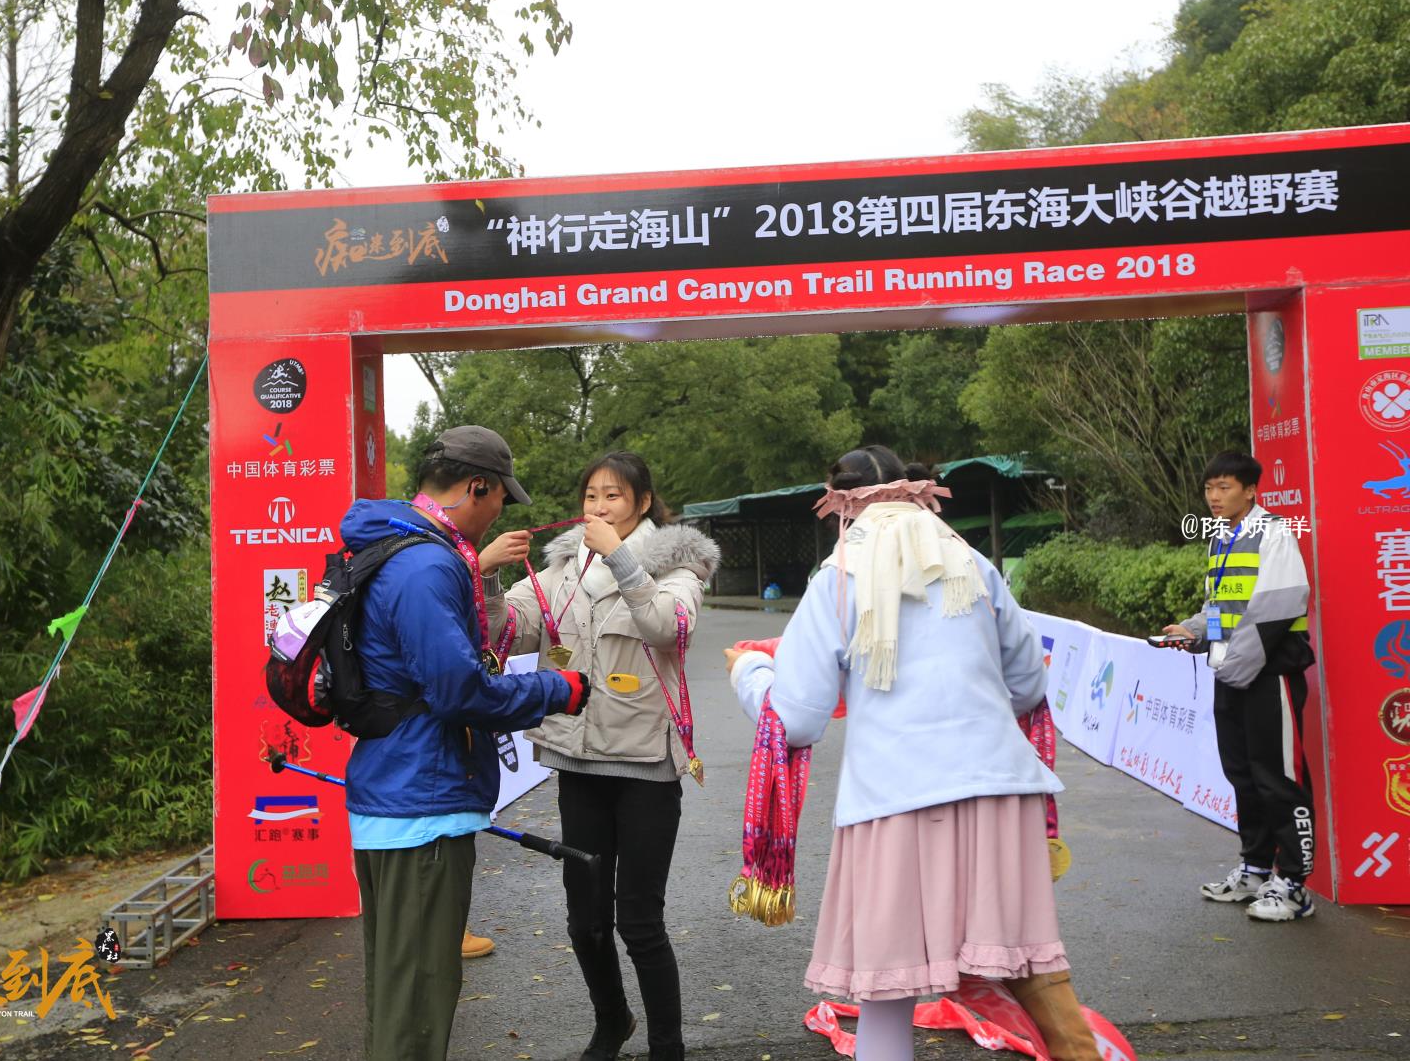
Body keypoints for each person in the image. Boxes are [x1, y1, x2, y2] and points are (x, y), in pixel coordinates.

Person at [725, 444, 1101, 1061]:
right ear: (914, 490)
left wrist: (751, 672)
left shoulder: (837, 576)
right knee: (1032, 968)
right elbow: (1029, 684)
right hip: (1000, 786)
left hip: (893, 798)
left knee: (887, 992)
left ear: (839, 504)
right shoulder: (972, 562)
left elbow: (797, 719)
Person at [339, 425, 592, 1061]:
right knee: (416, 1008)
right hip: (420, 805)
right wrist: (555, 689)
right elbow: (458, 691)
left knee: (399, 996)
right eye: (501, 495)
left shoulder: (397, 545)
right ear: (477, 486)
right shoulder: (426, 564)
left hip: (396, 792)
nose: (501, 509)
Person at [506, 452, 719, 1061]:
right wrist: (485, 574)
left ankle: (667, 1045)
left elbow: (668, 628)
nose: (598, 508)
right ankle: (611, 1021)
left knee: (640, 921)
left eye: (614, 496)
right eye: (591, 496)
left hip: (646, 767)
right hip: (577, 763)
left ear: (642, 503)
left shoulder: (680, 568)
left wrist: (622, 559)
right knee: (585, 920)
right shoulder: (561, 568)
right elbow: (510, 629)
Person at [1161, 450, 1316, 922]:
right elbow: (1221, 607)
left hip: (1268, 674)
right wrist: (1193, 631)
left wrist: (1233, 663)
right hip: (1232, 673)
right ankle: (1254, 870)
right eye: (1209, 488)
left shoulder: (1275, 533)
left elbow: (1280, 607)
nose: (1214, 496)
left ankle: (1294, 886)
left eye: (1224, 487)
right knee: (1243, 775)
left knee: (1278, 778)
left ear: (1250, 490)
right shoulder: (1221, 537)